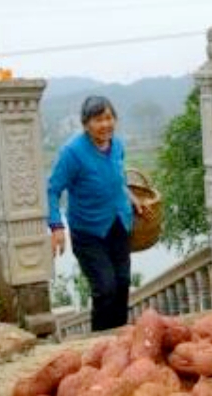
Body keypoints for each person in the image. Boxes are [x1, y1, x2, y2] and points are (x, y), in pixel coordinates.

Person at [48, 95, 135, 331]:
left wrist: (132, 198)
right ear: (86, 124)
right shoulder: (72, 153)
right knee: (105, 288)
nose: (105, 124)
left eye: (109, 118)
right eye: (98, 120)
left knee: (123, 282)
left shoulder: (117, 145)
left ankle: (119, 337)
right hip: (88, 231)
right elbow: (52, 189)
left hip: (118, 224)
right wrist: (56, 227)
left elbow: (118, 179)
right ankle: (100, 340)